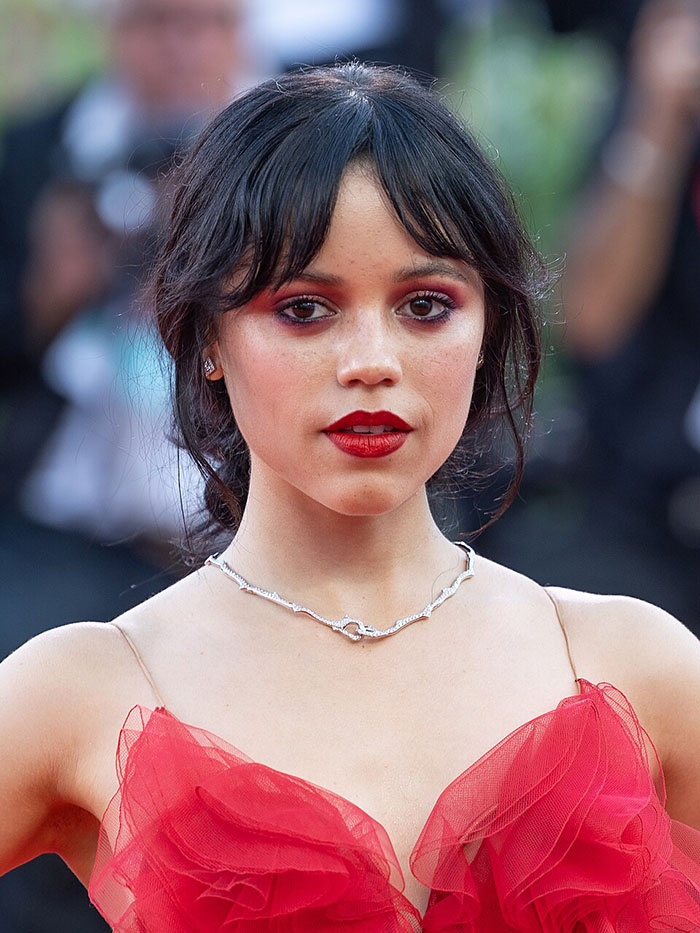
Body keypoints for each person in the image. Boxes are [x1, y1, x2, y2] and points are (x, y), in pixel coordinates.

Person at [2, 62, 700, 930]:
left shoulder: (635, 664)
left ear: (488, 326)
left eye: (426, 305)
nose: (372, 360)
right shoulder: (84, 691)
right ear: (206, 336)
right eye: (304, 309)